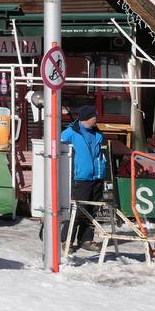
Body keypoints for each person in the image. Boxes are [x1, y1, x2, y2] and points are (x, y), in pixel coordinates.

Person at [60, 104, 105, 252]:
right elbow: (59, 150)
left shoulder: (97, 132)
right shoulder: (70, 133)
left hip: (97, 176)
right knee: (78, 210)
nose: (97, 118)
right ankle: (67, 240)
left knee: (92, 210)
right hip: (80, 177)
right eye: (94, 116)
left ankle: (86, 240)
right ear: (87, 117)